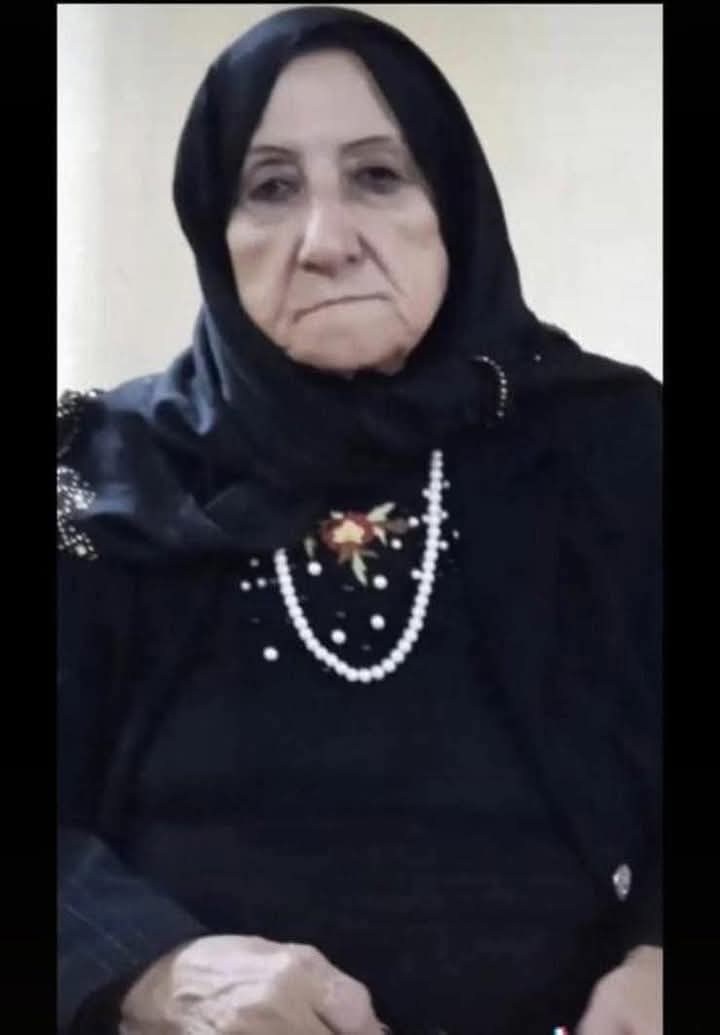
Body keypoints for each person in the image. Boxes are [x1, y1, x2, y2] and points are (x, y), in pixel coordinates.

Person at [57, 6, 662, 1034]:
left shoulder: (612, 447)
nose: (326, 243)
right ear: (214, 228)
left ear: (452, 203)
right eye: (270, 187)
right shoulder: (105, 477)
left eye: (378, 176)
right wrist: (153, 970)